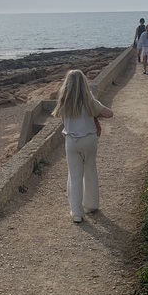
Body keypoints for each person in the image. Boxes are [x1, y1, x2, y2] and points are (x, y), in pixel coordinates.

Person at [52, 69, 114, 223]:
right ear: (84, 83)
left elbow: (59, 115)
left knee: (74, 176)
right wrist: (94, 114)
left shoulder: (64, 101)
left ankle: (76, 213)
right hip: (89, 140)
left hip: (72, 141)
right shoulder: (89, 101)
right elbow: (109, 114)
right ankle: (91, 204)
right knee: (90, 170)